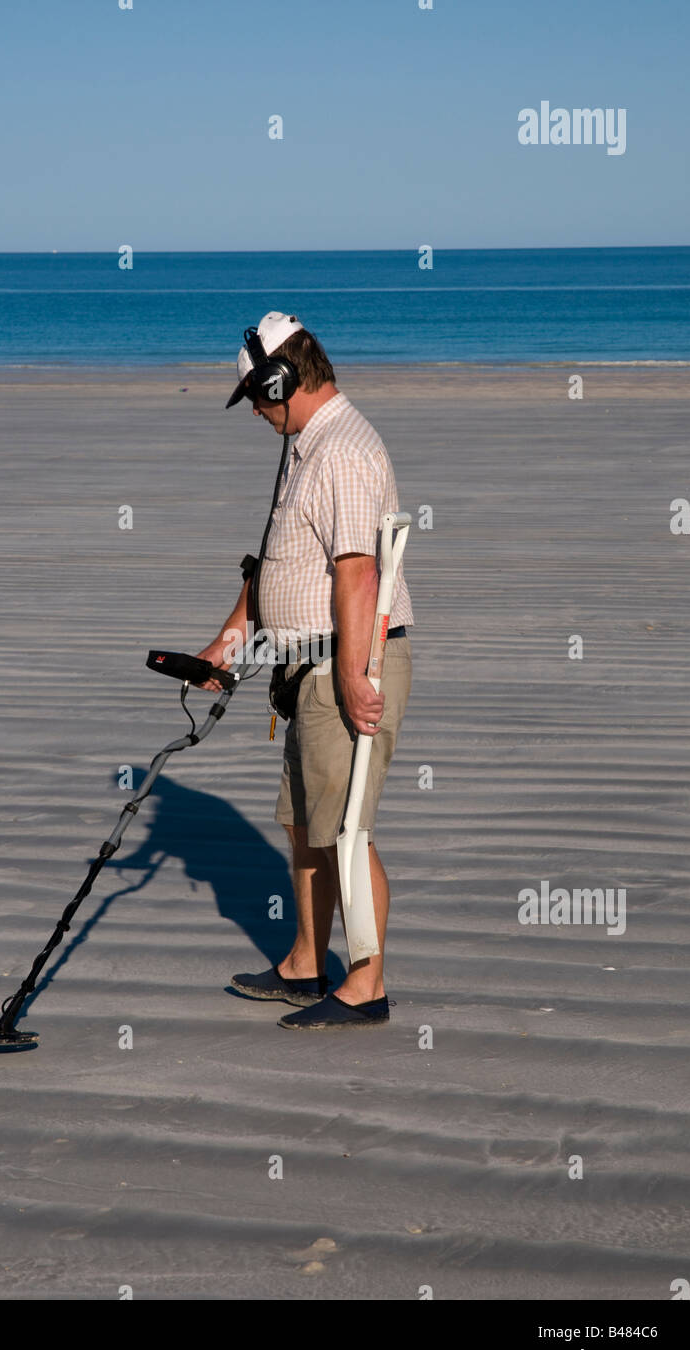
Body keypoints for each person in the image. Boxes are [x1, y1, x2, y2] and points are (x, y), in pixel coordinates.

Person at [196, 312, 413, 1029]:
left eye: (257, 398)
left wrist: (355, 676)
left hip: (340, 664)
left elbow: (355, 574)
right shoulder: (306, 446)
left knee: (344, 829)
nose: (256, 413)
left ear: (280, 380)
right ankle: (302, 964)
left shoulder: (342, 451)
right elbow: (278, 556)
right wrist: (231, 638)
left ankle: (366, 983)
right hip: (305, 668)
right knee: (306, 826)